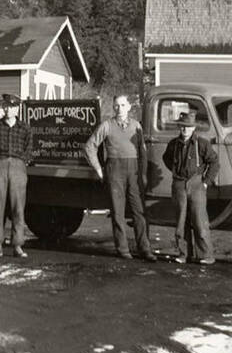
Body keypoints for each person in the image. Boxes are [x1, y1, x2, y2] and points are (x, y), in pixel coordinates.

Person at [84, 95, 156, 262]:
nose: (119, 109)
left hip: (134, 171)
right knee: (118, 212)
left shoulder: (136, 126)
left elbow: (143, 153)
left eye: (123, 105)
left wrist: (143, 174)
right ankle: (122, 249)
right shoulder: (107, 125)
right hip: (114, 170)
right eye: (116, 106)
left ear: (129, 107)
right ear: (113, 107)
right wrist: (99, 170)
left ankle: (145, 248)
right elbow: (90, 146)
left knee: (139, 211)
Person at [162, 111, 219, 265]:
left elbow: (214, 162)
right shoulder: (173, 145)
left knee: (200, 221)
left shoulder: (202, 144)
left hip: (197, 184)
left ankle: (206, 255)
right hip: (179, 184)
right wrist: (177, 173)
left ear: (194, 128)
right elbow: (166, 159)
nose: (185, 130)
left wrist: (206, 181)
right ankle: (183, 254)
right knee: (181, 221)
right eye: (182, 126)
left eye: (188, 127)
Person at [0, 93, 33, 258]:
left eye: (11, 106)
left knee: (18, 207)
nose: (8, 109)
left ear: (17, 108)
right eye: (5, 106)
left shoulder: (25, 128)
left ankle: (18, 245)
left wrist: (20, 161)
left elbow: (29, 150)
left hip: (18, 168)